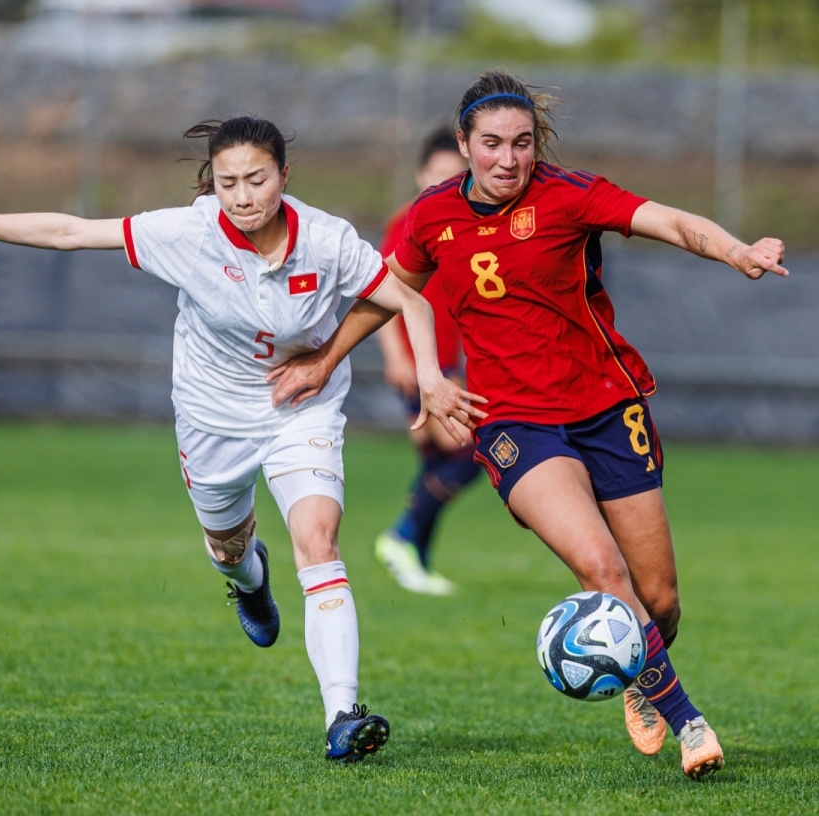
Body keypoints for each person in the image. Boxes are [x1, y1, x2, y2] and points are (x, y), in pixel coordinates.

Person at [0, 115, 486, 764]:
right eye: (228, 182)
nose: (243, 194)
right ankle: (248, 581)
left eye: (256, 178)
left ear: (284, 176)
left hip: (301, 410)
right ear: (213, 185)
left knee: (318, 538)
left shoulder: (327, 239)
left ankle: (342, 714)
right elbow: (68, 232)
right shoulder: (188, 232)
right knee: (229, 551)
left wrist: (430, 375)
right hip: (210, 417)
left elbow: (412, 301)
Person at [267, 71, 788, 780]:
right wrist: (325, 360)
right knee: (603, 571)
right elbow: (387, 294)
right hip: (515, 423)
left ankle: (639, 672)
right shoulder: (431, 218)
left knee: (658, 600)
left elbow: (668, 219)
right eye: (491, 144)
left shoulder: (568, 195)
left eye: (521, 143)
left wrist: (735, 251)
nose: (507, 159)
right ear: (463, 145)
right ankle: (688, 722)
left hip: (608, 407)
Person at [372, 127, 478, 595]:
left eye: (454, 177)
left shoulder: (461, 223)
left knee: (438, 458)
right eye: (436, 175)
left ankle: (415, 557)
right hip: (424, 365)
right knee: (475, 448)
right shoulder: (409, 223)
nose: (443, 185)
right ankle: (401, 535)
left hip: (451, 363)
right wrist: (397, 356)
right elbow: (379, 294)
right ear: (419, 174)